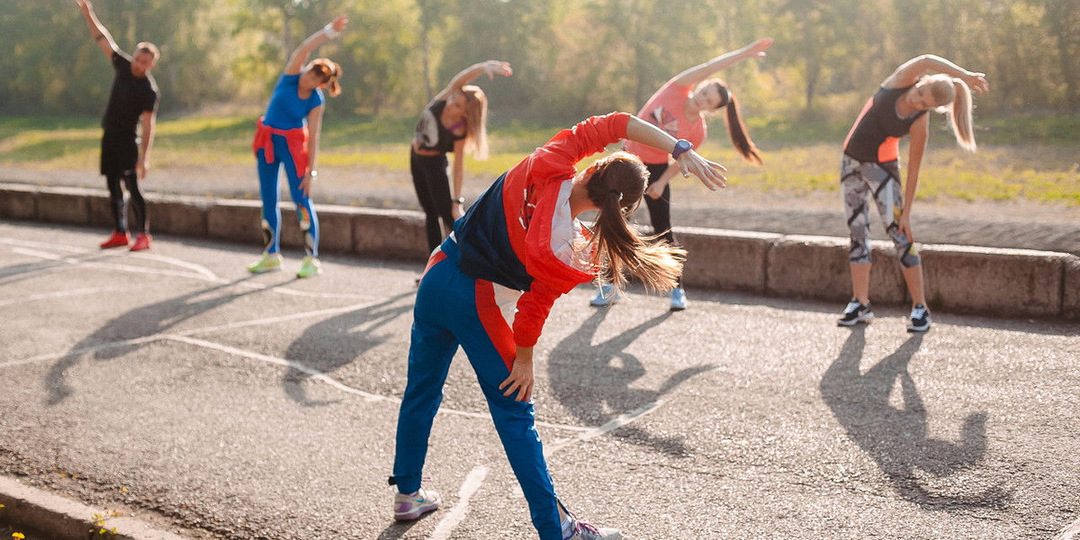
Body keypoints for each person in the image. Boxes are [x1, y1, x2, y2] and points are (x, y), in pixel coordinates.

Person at [390, 112, 727, 540]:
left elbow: (616, 123)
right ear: (618, 209)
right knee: (514, 411)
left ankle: (407, 493)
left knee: (421, 390)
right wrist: (524, 359)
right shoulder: (570, 248)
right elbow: (533, 309)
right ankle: (557, 529)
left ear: (596, 165)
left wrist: (680, 148)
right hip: (475, 300)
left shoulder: (551, 160)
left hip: (437, 271)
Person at [592, 38, 772, 310]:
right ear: (700, 86)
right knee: (615, 223)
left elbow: (681, 162)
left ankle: (677, 289)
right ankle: (609, 285)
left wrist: (661, 182)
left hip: (655, 170)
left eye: (708, 100)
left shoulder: (698, 131)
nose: (702, 98)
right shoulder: (675, 89)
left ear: (712, 109)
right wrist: (743, 54)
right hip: (626, 160)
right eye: (704, 92)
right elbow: (710, 66)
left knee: (663, 229)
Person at [836, 54, 989, 332]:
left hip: (882, 171)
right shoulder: (899, 81)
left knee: (901, 236)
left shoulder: (919, 121)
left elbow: (914, 170)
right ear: (922, 81)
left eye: (924, 104)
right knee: (857, 233)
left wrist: (906, 213)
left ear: (931, 109)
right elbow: (927, 58)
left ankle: (920, 308)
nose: (916, 102)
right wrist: (965, 75)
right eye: (920, 94)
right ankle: (860, 303)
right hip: (850, 163)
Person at [247, 15, 347, 278]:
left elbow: (313, 137)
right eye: (310, 69)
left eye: (315, 77)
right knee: (268, 198)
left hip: (293, 148)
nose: (308, 76)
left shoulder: (315, 100)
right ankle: (271, 255)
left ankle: (311, 259)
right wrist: (328, 32)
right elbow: (303, 49)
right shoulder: (291, 76)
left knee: (301, 199)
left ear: (320, 84)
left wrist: (310, 172)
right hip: (268, 143)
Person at [77, 0, 160, 252]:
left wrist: (144, 158)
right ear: (134, 56)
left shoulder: (149, 91)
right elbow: (102, 38)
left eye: (144, 62)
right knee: (112, 185)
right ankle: (120, 233)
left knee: (133, 188)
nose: (138, 64)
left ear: (151, 65)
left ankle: (143, 235)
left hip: (127, 142)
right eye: (137, 59)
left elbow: (149, 125)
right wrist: (88, 13)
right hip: (109, 137)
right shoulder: (123, 66)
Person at [411, 60, 513, 254]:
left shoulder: (459, 131)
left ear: (465, 114)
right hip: (416, 158)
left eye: (457, 105)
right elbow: (461, 79)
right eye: (453, 99)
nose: (450, 105)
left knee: (448, 216)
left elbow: (458, 167)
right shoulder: (443, 100)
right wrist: (484, 67)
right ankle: (433, 264)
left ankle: (473, 257)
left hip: (434, 165)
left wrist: (456, 203)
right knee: (429, 212)